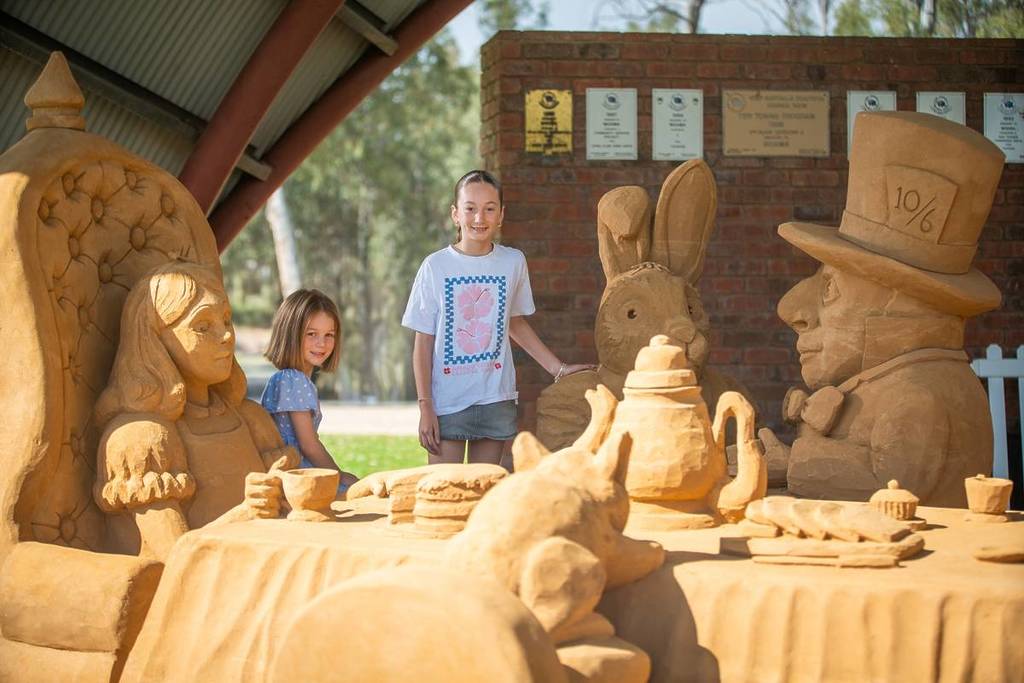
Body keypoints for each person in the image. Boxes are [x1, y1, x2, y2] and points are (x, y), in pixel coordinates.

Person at [94, 262, 298, 560]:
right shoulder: (141, 439)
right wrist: (244, 516)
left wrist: (354, 491)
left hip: (275, 563)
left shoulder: (251, 419)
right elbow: (176, 558)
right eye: (203, 327)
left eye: (227, 320)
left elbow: (299, 512)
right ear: (155, 339)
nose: (227, 336)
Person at [402, 170, 592, 466]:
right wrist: (426, 406)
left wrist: (558, 368)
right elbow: (423, 342)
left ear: (501, 215)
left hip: (496, 396)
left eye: (489, 208)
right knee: (443, 497)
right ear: (455, 214)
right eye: (470, 208)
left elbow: (514, 322)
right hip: (447, 403)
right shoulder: (434, 267)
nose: (480, 217)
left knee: (485, 495)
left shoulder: (513, 262)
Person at [261, 289, 359, 493]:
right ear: (290, 333)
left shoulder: (283, 378)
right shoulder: (294, 380)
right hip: (299, 477)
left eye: (329, 335)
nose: (321, 343)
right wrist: (338, 475)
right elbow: (308, 445)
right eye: (311, 334)